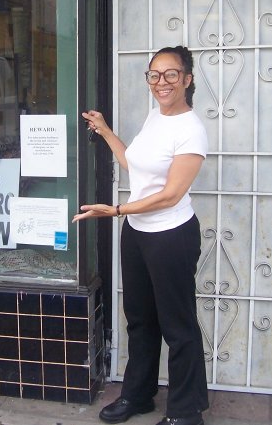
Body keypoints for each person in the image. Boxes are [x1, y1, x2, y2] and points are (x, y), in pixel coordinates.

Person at [73, 45, 209, 425]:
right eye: (154, 75)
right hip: (137, 233)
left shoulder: (191, 129)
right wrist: (104, 131)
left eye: (170, 74)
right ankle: (138, 395)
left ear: (187, 79)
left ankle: (186, 412)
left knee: (177, 326)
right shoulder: (155, 118)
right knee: (140, 320)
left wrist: (115, 210)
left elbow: (170, 195)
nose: (161, 82)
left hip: (172, 236)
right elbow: (133, 163)